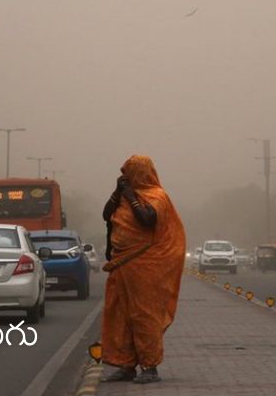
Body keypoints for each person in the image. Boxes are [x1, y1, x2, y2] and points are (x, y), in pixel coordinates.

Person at [100, 155, 186, 385]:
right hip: (121, 264)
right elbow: (106, 215)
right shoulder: (123, 197)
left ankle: (150, 366)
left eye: (129, 173)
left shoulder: (158, 196)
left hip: (146, 265)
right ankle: (125, 365)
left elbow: (147, 219)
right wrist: (118, 192)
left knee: (143, 315)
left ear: (140, 173)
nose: (125, 177)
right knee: (119, 315)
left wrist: (130, 195)